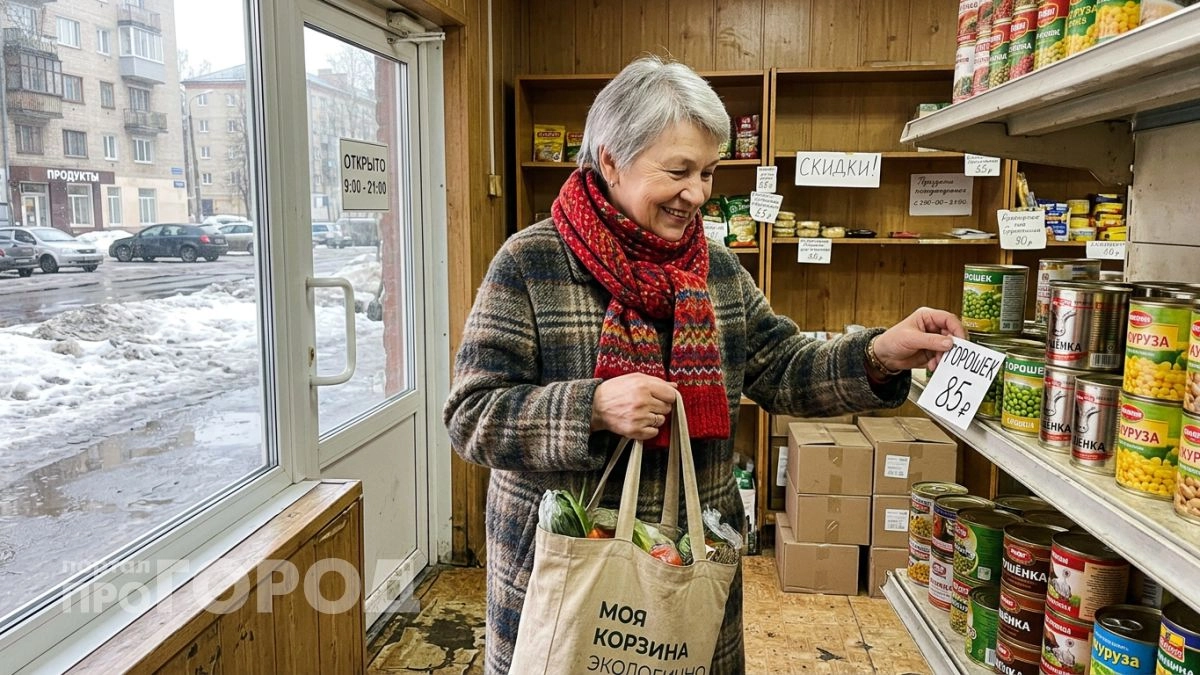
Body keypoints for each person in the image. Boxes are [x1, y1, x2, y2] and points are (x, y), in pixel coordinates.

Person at [444, 55, 965, 674]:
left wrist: (879, 353)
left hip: (692, 567)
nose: (697, 194)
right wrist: (592, 408)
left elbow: (782, 366)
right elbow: (472, 416)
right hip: (567, 570)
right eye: (678, 171)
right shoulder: (530, 262)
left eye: (709, 172)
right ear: (610, 159)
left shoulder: (716, 268)